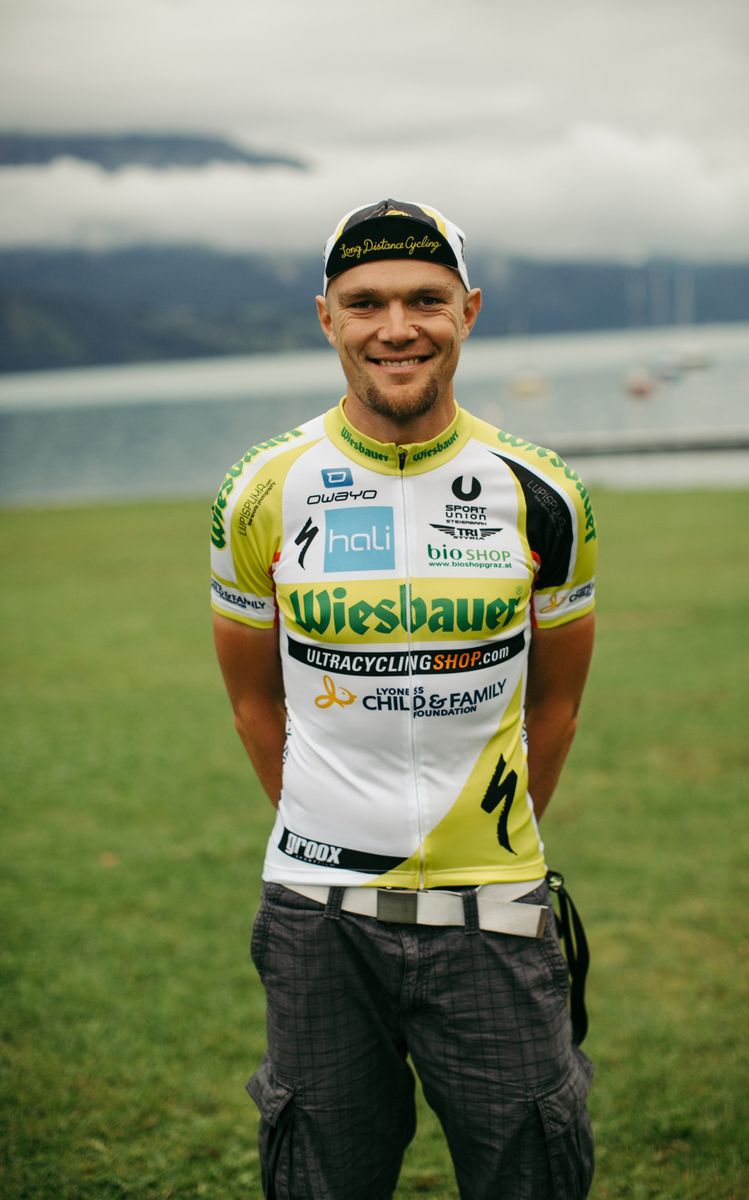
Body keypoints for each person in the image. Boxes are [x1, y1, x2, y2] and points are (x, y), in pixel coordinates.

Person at [211, 199, 598, 1200]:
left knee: (531, 1172)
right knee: (320, 1177)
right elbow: (253, 703)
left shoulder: (542, 491)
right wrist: (326, 827)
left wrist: (491, 844)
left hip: (495, 906)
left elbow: (556, 704)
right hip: (316, 918)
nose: (396, 328)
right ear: (325, 318)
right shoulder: (259, 490)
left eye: (425, 299)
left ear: (468, 311)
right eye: (366, 302)